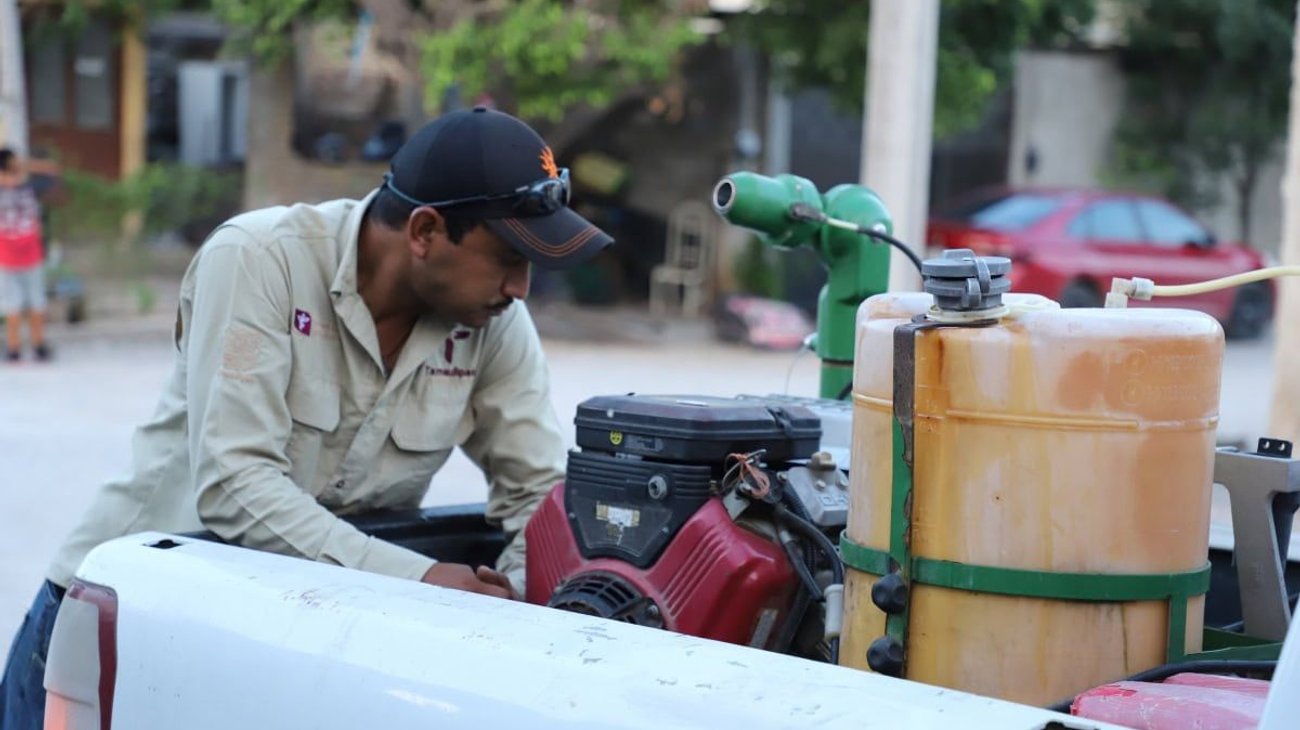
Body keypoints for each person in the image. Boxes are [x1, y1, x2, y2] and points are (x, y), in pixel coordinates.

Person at [0, 107, 613, 730]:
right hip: (124, 619)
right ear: (425, 231)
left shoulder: (494, 323)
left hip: (294, 636)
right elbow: (236, 486)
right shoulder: (261, 260)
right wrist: (419, 579)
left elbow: (540, 495)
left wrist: (511, 597)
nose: (522, 288)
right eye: (509, 256)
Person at [0, 148, 59, 362]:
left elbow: (52, 171)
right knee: (16, 304)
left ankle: (33, 345)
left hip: (26, 256)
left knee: (31, 303)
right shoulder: (28, 187)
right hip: (11, 257)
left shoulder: (30, 186)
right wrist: (23, 166)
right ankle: (18, 347)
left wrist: (20, 167)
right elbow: (52, 170)